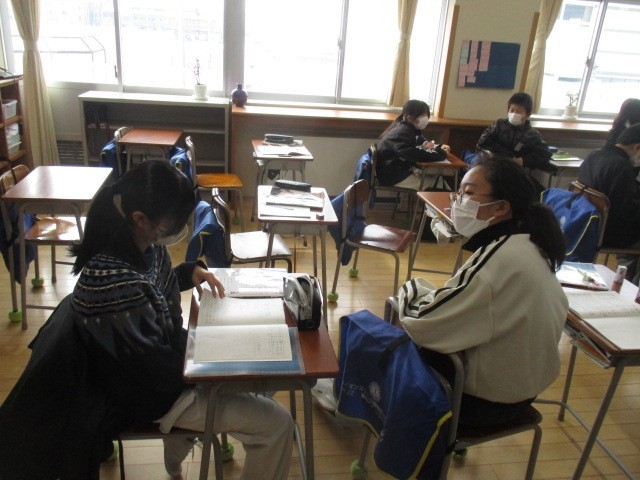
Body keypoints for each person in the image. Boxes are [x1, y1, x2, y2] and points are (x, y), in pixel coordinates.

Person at [69, 160, 294, 479]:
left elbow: (152, 289)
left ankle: (181, 440)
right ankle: (182, 433)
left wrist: (189, 273)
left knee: (265, 380)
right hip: (150, 396)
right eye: (174, 222)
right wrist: (218, 366)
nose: (180, 229)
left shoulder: (139, 244)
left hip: (165, 369)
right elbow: (154, 371)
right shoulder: (113, 284)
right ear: (141, 219)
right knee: (277, 424)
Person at [398, 155, 568, 427]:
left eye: (468, 193)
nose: (458, 202)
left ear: (500, 208)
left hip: (483, 404)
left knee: (395, 335)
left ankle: (375, 408)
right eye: (459, 193)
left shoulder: (498, 258)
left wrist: (410, 288)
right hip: (523, 391)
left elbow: (425, 319)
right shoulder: (530, 245)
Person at [578, 123, 640, 284]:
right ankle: (631, 284)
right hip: (609, 233)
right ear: (637, 147)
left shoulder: (594, 155)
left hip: (586, 224)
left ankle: (627, 277)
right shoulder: (622, 166)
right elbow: (626, 212)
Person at [465, 92, 554, 181]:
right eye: (512, 110)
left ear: (527, 114)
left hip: (514, 170)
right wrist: (506, 155)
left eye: (519, 111)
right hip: (493, 164)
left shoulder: (532, 134)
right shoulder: (499, 125)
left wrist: (523, 160)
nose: (514, 114)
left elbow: (545, 153)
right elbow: (483, 142)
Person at [375, 99, 451, 190]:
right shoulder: (403, 132)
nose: (425, 119)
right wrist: (442, 153)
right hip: (393, 176)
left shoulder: (407, 128)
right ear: (409, 117)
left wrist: (438, 147)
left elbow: (421, 142)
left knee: (436, 179)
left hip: (394, 172)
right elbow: (416, 154)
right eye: (422, 115)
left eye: (426, 115)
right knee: (438, 182)